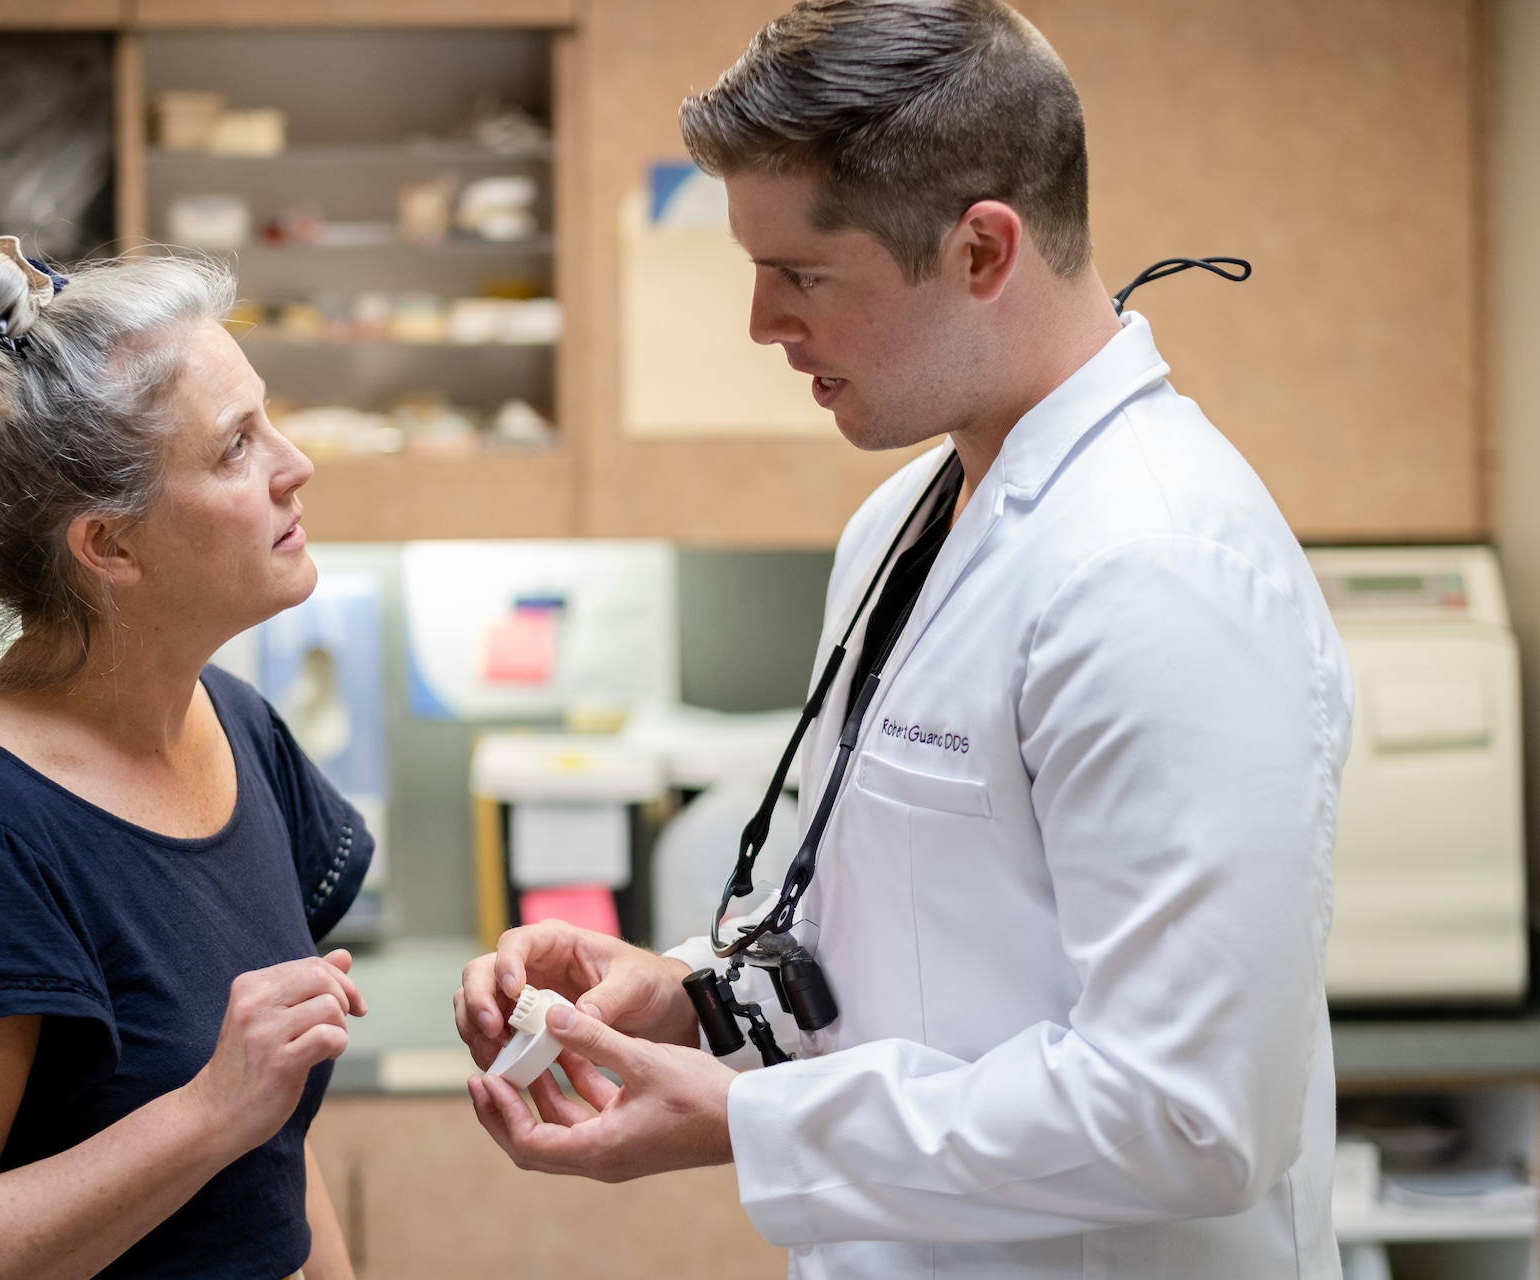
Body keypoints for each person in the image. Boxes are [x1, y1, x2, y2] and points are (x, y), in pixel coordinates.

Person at [454, 3, 1352, 1277]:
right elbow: (899, 937)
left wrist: (752, 1122)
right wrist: (689, 995)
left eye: (804, 275)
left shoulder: (1155, 570)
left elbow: (1191, 1112)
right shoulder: (909, 519)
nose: (764, 324)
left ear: (984, 248)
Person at [0, 235, 372, 1280]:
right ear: (109, 545)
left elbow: (273, 1155)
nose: (296, 466)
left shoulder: (238, 729)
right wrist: (208, 1108)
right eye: (237, 446)